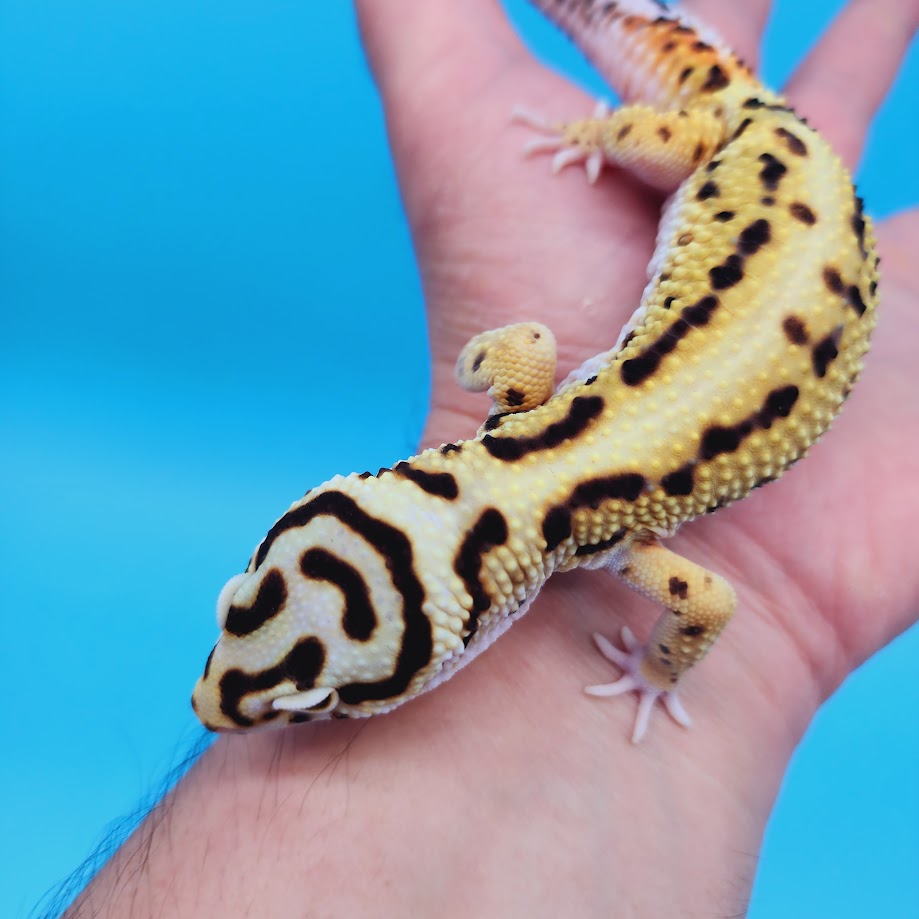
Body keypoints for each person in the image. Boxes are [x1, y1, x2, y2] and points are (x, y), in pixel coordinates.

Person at [68, 1, 919, 915]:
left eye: (310, 699)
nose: (216, 697)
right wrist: (481, 364)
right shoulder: (529, 434)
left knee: (647, 132)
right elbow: (520, 350)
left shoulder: (618, 532)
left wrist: (659, 669)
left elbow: (706, 602)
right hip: (782, 212)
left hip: (730, 157)